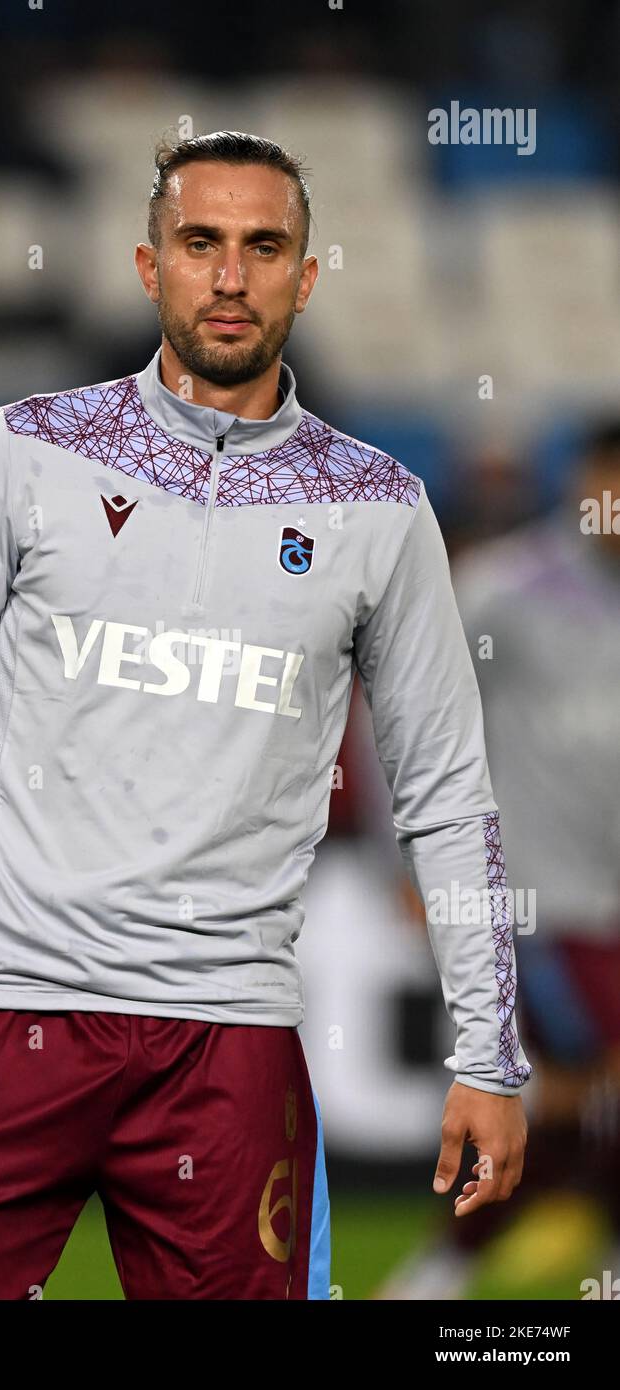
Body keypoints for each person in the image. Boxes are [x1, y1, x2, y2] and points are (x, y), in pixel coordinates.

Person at [0, 130, 530, 1301]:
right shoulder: (22, 454)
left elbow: (447, 797)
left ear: (305, 278)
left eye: (263, 247)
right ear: (146, 264)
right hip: (0, 1007)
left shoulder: (377, 508)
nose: (229, 275)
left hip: (225, 1036)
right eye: (199, 242)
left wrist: (486, 1054)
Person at [375, 424, 620, 1299]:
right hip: (539, 905)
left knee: (575, 1108)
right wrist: (403, 864)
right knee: (569, 1093)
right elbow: (408, 723)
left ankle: (456, 1269)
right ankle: (446, 1267)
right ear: (584, 479)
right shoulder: (503, 590)